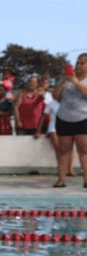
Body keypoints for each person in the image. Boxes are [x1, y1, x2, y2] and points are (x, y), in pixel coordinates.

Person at [52, 53, 87, 188]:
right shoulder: (67, 80)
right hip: (64, 118)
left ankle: (86, 180)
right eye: (78, 62)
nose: (79, 65)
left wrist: (75, 81)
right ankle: (61, 179)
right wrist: (63, 83)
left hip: (82, 118)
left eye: (83, 63)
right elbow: (55, 96)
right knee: (64, 151)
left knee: (84, 151)